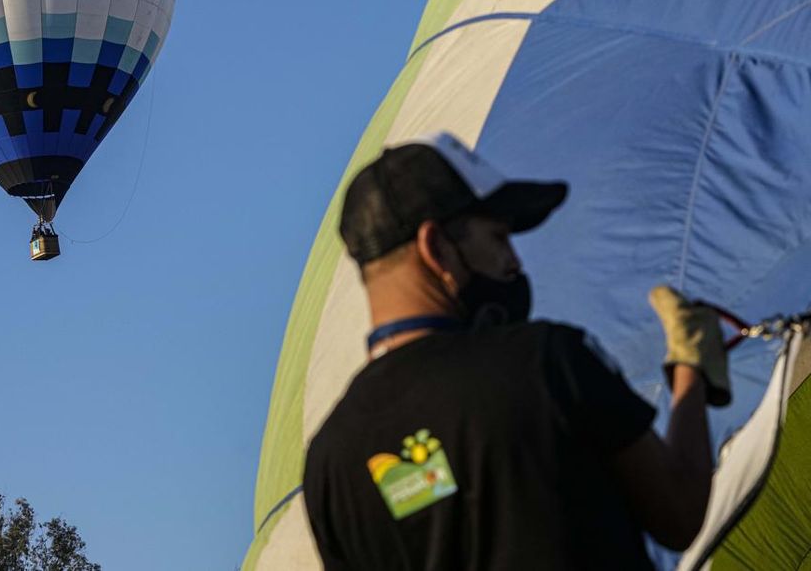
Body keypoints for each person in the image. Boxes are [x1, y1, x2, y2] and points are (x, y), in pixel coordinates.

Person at [302, 131, 730, 571]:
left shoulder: (328, 463)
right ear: (436, 248)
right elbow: (678, 513)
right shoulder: (546, 359)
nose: (515, 263)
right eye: (498, 239)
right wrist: (690, 370)